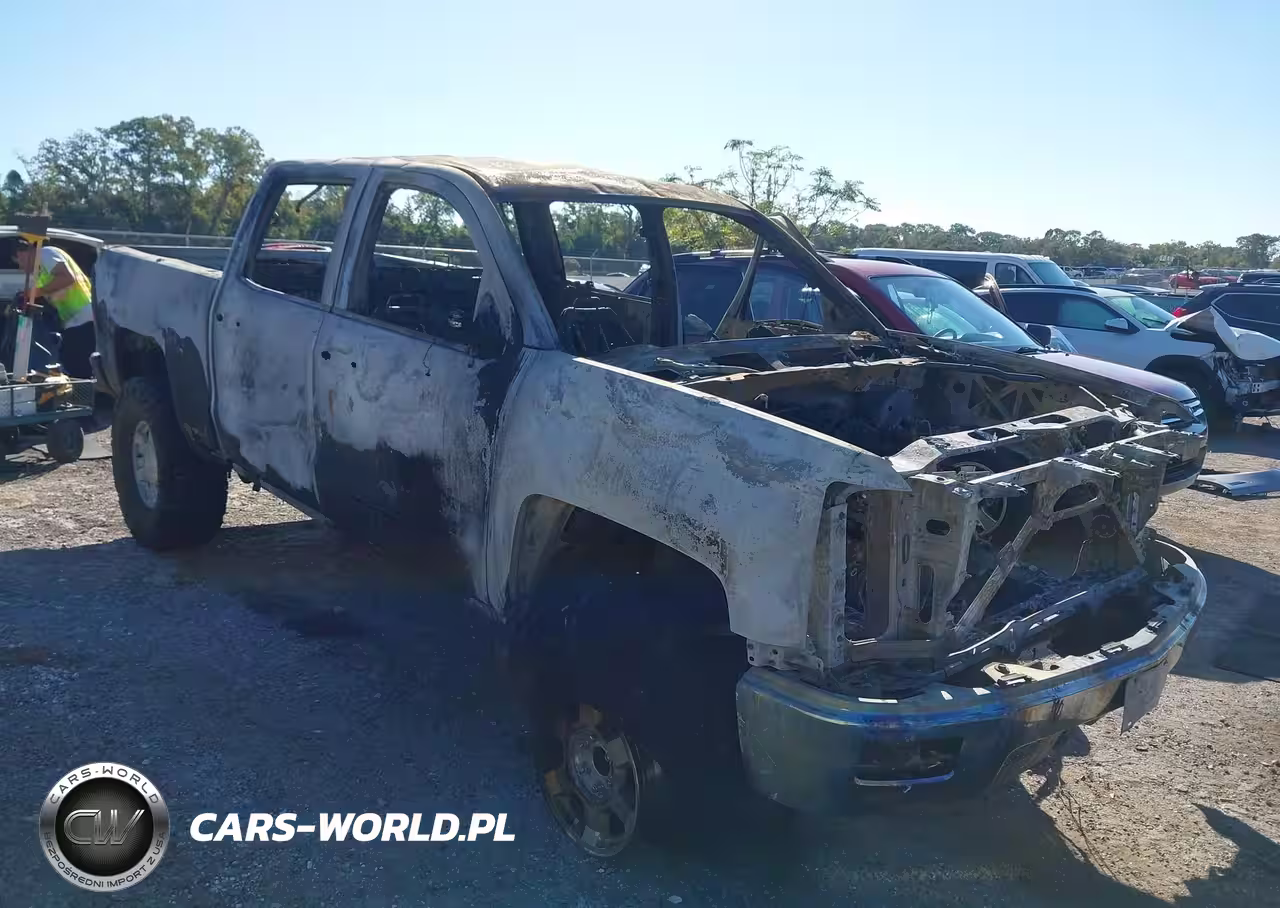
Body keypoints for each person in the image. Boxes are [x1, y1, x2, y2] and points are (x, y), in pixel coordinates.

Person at [11, 237, 95, 378]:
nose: (20, 267)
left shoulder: (46, 254)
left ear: (22, 254)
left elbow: (67, 278)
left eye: (18, 262)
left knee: (81, 366)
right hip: (72, 322)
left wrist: (35, 292)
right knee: (73, 365)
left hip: (84, 316)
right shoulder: (40, 271)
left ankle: (86, 395)